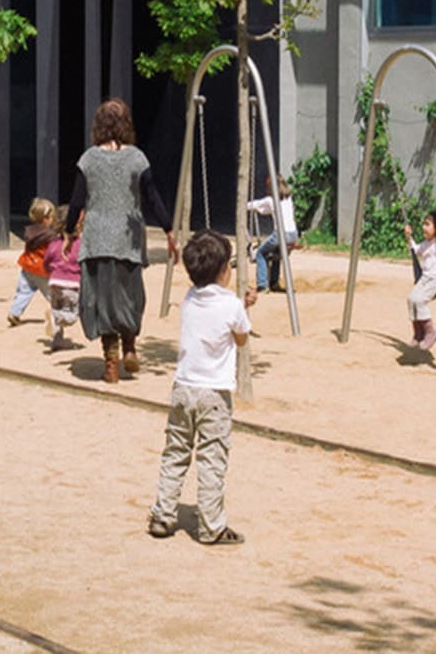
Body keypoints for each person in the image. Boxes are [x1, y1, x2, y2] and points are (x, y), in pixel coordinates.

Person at [148, 228, 254, 546]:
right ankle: (211, 526)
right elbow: (241, 338)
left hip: (183, 388)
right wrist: (245, 306)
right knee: (212, 457)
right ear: (224, 271)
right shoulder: (232, 305)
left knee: (175, 452)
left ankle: (162, 516)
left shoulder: (189, 298)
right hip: (214, 394)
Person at [66, 96, 178, 383]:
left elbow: (77, 200)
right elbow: (153, 198)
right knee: (130, 296)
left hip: (97, 239)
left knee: (101, 299)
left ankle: (111, 363)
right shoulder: (137, 158)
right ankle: (129, 344)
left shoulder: (89, 158)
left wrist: (68, 232)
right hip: (128, 240)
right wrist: (168, 230)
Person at [404, 208, 436, 351]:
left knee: (419, 301)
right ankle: (418, 333)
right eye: (424, 223)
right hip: (423, 279)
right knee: (411, 299)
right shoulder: (425, 243)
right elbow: (416, 250)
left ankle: (431, 332)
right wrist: (409, 237)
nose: (424, 227)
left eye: (428, 224)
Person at [7, 196, 56, 326]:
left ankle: (14, 312)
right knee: (52, 295)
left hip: (27, 266)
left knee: (23, 292)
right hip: (42, 269)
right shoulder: (50, 236)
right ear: (46, 219)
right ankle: (58, 314)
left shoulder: (29, 231)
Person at [247, 178, 299, 292]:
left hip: (281, 234)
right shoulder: (288, 199)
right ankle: (274, 283)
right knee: (277, 254)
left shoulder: (271, 200)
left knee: (261, 252)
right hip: (293, 234)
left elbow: (256, 205)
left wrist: (243, 205)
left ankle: (262, 285)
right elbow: (266, 210)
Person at [43, 207, 82, 352]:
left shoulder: (54, 244)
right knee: (72, 315)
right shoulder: (79, 244)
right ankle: (56, 316)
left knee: (58, 307)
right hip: (72, 284)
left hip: (54, 283)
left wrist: (49, 272)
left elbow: (46, 261)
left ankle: (57, 340)